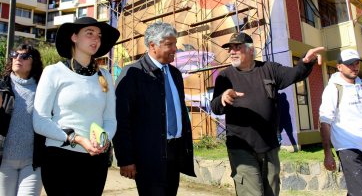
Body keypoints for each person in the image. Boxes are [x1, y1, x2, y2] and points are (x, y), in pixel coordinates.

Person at [210, 32, 324, 196]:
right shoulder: (225, 76)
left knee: (272, 191)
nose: (231, 52)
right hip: (241, 147)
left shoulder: (269, 69)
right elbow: (215, 107)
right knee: (252, 193)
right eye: (230, 48)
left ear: (250, 50)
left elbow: (294, 74)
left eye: (237, 47)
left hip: (269, 145)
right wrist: (223, 97)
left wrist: (305, 61)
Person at [33, 17, 120, 196]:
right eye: (89, 34)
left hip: (95, 160)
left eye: (99, 35)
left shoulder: (105, 76)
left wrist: (103, 140)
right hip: (60, 158)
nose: (96, 39)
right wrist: (77, 139)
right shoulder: (53, 71)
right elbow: (39, 121)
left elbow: (110, 119)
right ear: (74, 37)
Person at [113, 22, 196, 196]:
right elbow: (121, 119)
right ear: (153, 46)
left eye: (175, 43)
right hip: (148, 157)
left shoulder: (175, 74)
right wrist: (126, 159)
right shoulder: (132, 74)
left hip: (174, 153)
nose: (175, 48)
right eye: (169, 44)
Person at [319, 49, 362, 196]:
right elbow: (325, 122)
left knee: (359, 189)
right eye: (349, 64)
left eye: (356, 63)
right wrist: (327, 153)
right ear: (339, 66)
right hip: (348, 147)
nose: (355, 67)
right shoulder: (333, 89)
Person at [0, 44, 44, 196]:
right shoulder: (1, 87)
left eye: (25, 57)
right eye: (15, 54)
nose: (18, 58)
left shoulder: (43, 90)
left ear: (34, 63)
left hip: (32, 164)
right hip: (3, 163)